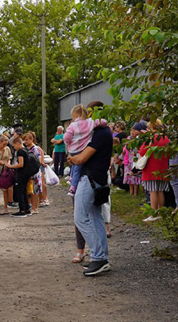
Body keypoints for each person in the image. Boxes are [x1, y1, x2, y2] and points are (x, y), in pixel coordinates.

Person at [67, 100, 113, 276]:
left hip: (90, 179)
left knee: (80, 218)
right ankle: (103, 258)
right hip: (99, 179)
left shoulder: (100, 133)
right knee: (96, 219)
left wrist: (73, 158)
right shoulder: (103, 131)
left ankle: (98, 257)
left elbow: (81, 158)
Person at [64, 104, 108, 196]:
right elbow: (103, 122)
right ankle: (72, 180)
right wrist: (104, 123)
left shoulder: (72, 125)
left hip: (73, 149)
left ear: (75, 115)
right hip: (83, 148)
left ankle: (73, 185)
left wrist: (68, 142)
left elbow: (67, 137)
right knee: (77, 168)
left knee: (75, 166)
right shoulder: (90, 122)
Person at [140, 120, 171, 221]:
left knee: (152, 191)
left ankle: (153, 214)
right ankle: (160, 212)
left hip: (151, 168)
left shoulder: (151, 139)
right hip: (163, 168)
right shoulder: (166, 138)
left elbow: (142, 151)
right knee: (160, 191)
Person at [5, 136, 31, 217]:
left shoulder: (20, 152)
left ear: (18, 143)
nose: (14, 148)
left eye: (14, 146)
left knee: (20, 191)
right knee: (24, 191)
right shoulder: (26, 150)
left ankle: (22, 210)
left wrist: (10, 166)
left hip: (21, 174)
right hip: (27, 173)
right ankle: (27, 209)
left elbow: (20, 164)